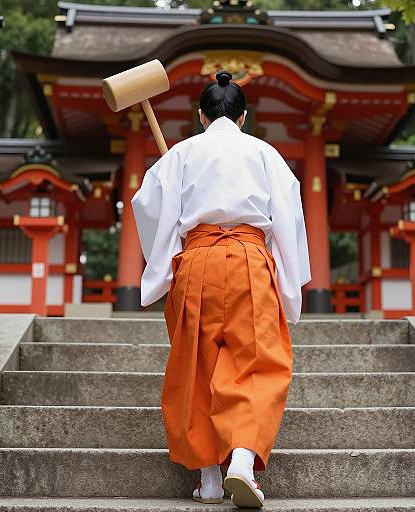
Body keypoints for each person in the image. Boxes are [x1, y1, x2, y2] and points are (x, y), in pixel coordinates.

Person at [131, 69, 311, 509]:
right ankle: (243, 461)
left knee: (197, 361)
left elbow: (148, 206)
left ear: (200, 115)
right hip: (250, 258)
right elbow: (288, 218)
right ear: (244, 117)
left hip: (197, 260)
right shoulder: (265, 153)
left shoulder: (181, 153)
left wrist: (164, 264)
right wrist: (289, 287)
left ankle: (208, 478)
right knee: (256, 361)